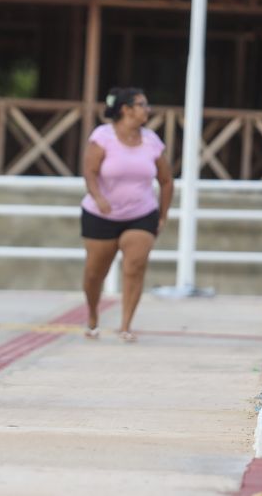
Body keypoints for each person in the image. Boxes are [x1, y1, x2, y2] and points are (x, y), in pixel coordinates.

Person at [80, 87, 173, 342]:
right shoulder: (103, 136)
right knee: (94, 273)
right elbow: (90, 171)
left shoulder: (152, 141)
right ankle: (92, 316)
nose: (147, 109)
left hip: (141, 214)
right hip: (101, 215)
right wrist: (98, 197)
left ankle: (126, 325)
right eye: (143, 104)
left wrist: (162, 215)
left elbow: (166, 180)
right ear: (126, 109)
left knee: (135, 266)